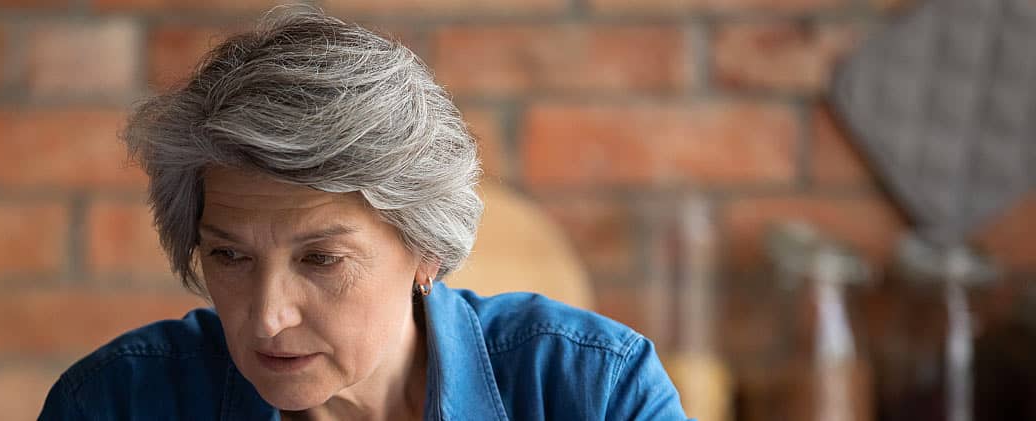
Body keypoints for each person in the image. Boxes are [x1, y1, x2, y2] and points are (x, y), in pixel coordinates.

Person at [39, 8, 689, 421]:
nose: (267, 316)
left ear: (426, 251)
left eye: (321, 258)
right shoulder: (115, 403)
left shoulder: (594, 390)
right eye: (229, 255)